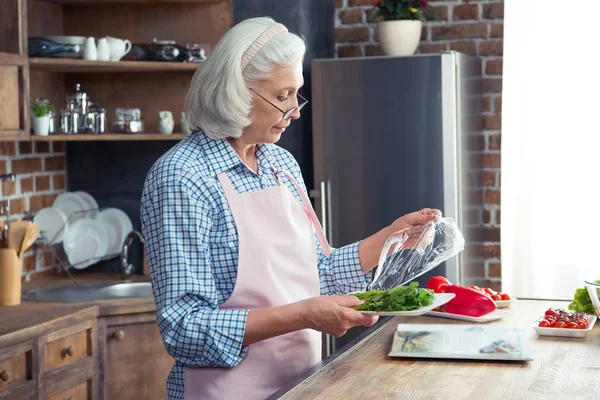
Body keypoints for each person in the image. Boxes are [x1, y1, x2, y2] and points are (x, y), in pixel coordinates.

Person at [140, 16, 441, 400]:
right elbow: (184, 329)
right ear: (235, 91)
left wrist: (392, 238)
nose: (295, 111)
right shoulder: (182, 176)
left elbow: (319, 274)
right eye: (282, 96)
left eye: (296, 94)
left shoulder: (280, 164)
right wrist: (303, 315)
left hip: (302, 387)